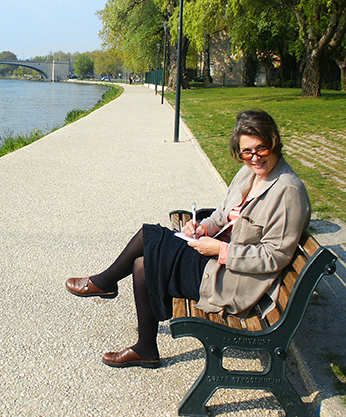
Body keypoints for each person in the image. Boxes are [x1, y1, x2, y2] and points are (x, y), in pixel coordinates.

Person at [65, 110, 311, 368]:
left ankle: (105, 282)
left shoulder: (288, 190)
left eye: (260, 149)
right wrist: (202, 228)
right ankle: (145, 348)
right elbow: (221, 215)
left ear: (273, 141)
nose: (253, 158)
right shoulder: (249, 173)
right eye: (246, 152)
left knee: (151, 235)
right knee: (142, 263)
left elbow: (276, 256)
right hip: (219, 261)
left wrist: (220, 250)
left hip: (234, 281)